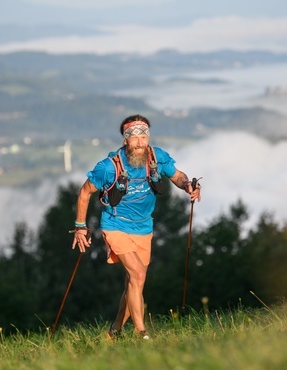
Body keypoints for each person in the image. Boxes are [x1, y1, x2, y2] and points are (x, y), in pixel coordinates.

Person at [71, 114, 201, 340]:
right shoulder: (109, 167)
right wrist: (80, 227)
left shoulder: (156, 158)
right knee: (138, 274)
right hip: (115, 226)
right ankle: (142, 333)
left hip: (143, 228)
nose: (140, 142)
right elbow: (84, 192)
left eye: (144, 136)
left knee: (135, 282)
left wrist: (188, 186)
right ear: (125, 140)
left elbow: (178, 176)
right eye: (134, 137)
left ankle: (114, 332)